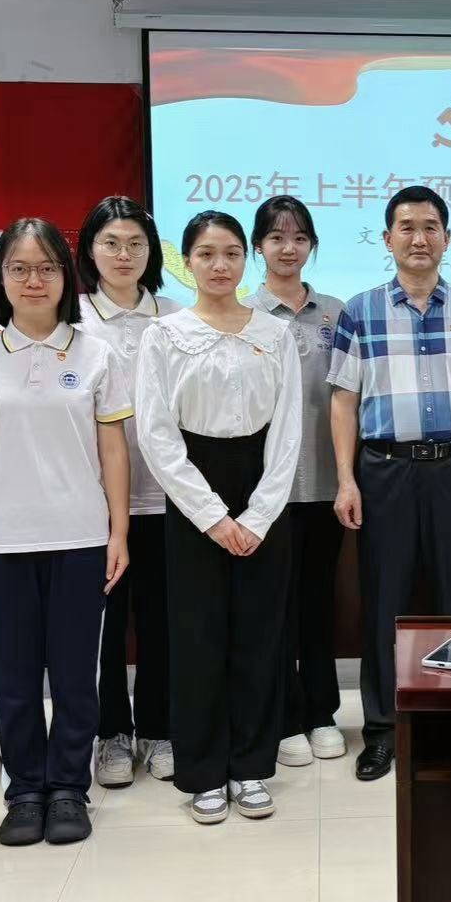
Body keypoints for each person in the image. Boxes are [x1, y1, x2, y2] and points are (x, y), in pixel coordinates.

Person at [0, 218, 132, 848]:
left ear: (66, 276)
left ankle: (70, 788)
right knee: (13, 678)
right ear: (0, 278)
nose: (34, 280)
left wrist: (118, 532)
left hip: (80, 537)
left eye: (47, 268)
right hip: (0, 543)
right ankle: (25, 790)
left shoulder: (95, 353)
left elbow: (113, 450)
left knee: (78, 675)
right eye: (19, 268)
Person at [329, 186, 451, 782]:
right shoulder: (360, 311)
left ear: (447, 238)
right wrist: (346, 480)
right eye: (406, 227)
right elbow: (343, 399)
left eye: (430, 227)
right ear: (387, 239)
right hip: (385, 469)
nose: (419, 238)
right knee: (386, 601)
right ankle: (384, 730)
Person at [138, 211, 301, 824]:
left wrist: (258, 515)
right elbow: (156, 434)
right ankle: (204, 772)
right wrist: (211, 516)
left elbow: (288, 430)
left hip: (263, 486)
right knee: (197, 636)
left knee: (259, 634)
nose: (220, 265)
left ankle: (252, 766)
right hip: (192, 491)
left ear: (246, 259)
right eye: (206, 254)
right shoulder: (165, 334)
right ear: (187, 262)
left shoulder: (274, 333)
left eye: (232, 253)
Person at [77, 196, 182, 790]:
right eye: (111, 243)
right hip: (94, 503)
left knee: (164, 621)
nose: (124, 255)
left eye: (136, 244)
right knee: (105, 625)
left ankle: (160, 729)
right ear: (90, 250)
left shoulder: (177, 317)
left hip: (168, 499)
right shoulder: (71, 319)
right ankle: (112, 731)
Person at [248, 196, 349, 770]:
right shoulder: (243, 313)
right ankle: (284, 717)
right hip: (268, 490)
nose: (288, 248)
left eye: (299, 238)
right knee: (273, 606)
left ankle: (321, 712)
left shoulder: (336, 313)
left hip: (327, 483)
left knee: (318, 603)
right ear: (258, 247)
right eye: (276, 238)